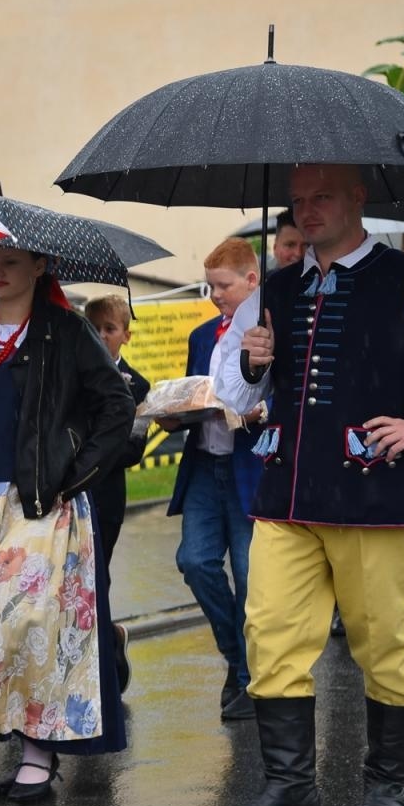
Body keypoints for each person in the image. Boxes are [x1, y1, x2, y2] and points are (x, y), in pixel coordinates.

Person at [214, 165, 404, 806]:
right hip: (286, 492)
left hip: (374, 491)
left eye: (323, 197)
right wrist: (255, 363)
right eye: (299, 201)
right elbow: (235, 394)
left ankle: (385, 784)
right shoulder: (276, 288)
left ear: (357, 199)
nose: (308, 210)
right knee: (270, 635)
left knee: (383, 641)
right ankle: (291, 787)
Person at [0, 242, 135, 804]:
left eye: (10, 263)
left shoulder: (64, 330)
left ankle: (40, 753)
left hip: (39, 501)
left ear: (39, 268)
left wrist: (77, 472)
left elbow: (118, 405)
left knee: (32, 628)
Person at [160, 237, 265, 722]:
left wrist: (263, 412)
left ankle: (249, 679)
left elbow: (284, 394)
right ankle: (237, 658)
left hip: (248, 466)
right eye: (209, 285)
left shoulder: (268, 332)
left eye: (223, 286)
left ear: (251, 280)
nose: (214, 294)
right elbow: (195, 391)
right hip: (204, 463)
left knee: (248, 577)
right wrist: (175, 415)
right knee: (194, 561)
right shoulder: (203, 336)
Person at [83, 294, 150, 692]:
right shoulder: (75, 377)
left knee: (97, 578)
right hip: (71, 494)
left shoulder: (137, 385)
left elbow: (132, 449)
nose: (101, 336)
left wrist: (95, 442)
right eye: (93, 330)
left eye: (109, 329)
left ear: (125, 335)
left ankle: (108, 664)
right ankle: (97, 651)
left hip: (107, 496)